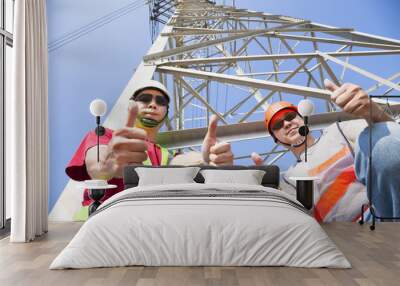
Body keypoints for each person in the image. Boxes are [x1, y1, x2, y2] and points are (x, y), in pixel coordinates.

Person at [66, 80, 234, 220]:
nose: (153, 105)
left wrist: (207, 160)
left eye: (161, 102)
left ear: (166, 112)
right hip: (96, 219)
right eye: (145, 99)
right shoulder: (105, 136)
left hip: (145, 222)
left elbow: (184, 162)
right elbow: (97, 164)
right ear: (131, 105)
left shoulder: (166, 155)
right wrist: (108, 165)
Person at [252, 79, 400, 222]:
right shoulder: (287, 179)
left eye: (290, 116)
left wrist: (374, 112)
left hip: (383, 211)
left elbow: (391, 141)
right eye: (278, 125)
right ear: (278, 141)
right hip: (346, 238)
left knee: (381, 138)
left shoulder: (338, 131)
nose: (287, 123)